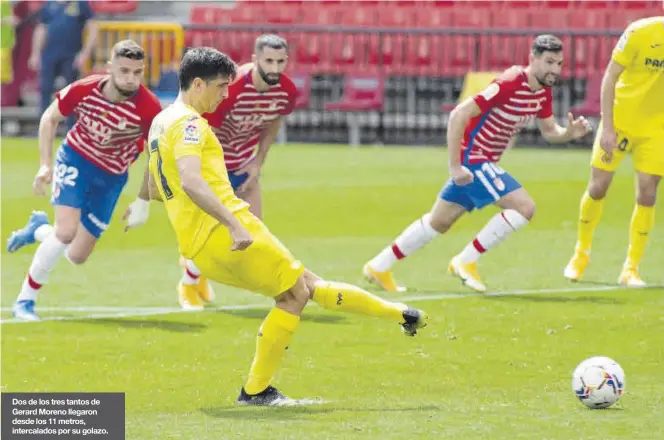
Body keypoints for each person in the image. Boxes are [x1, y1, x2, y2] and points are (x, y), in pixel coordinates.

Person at [146, 47, 428, 406]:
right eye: (220, 87)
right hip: (223, 231)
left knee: (305, 283)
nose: (226, 94)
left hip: (197, 242)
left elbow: (158, 188)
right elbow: (190, 181)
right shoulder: (189, 124)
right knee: (294, 295)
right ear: (197, 83)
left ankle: (403, 315)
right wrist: (234, 224)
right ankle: (256, 390)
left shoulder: (162, 119)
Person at [363, 35, 592, 293]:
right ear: (533, 59)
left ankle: (379, 266)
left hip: (483, 161)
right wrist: (456, 166)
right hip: (474, 158)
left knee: (438, 222)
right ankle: (466, 261)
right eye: (549, 62)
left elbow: (550, 131)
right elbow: (458, 114)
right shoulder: (508, 82)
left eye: (559, 63)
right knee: (525, 207)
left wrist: (569, 134)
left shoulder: (543, 93)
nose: (554, 69)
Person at [6, 40, 162, 321]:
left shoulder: (149, 108)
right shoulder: (84, 89)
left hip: (112, 177)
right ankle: (25, 301)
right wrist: (44, 165)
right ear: (110, 67)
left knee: (76, 255)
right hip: (76, 159)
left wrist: (143, 199)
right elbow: (49, 118)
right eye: (125, 70)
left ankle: (39, 230)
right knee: (65, 232)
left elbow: (157, 152)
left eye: (137, 72)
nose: (131, 79)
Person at [170, 34, 297, 309]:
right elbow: (206, 129)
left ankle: (198, 274)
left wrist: (257, 163)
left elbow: (273, 123)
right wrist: (213, 175)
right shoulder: (232, 87)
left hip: (243, 163)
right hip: (213, 164)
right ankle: (189, 285)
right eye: (268, 61)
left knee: (253, 232)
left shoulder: (286, 90)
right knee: (213, 229)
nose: (274, 68)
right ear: (255, 60)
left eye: (280, 62)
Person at [563, 16, 664, 287]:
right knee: (598, 186)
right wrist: (608, 127)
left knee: (647, 193)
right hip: (620, 121)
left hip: (656, 129)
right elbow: (610, 76)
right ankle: (580, 255)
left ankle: (631, 269)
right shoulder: (639, 32)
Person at [29, 0, 98, 130]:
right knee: (45, 89)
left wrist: (85, 53)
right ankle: (44, 126)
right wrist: (35, 53)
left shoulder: (80, 4)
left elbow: (93, 28)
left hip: (71, 55)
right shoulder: (48, 5)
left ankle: (71, 127)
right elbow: (41, 30)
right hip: (49, 55)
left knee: (71, 92)